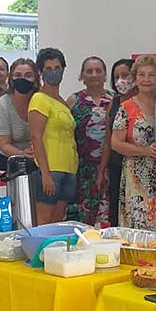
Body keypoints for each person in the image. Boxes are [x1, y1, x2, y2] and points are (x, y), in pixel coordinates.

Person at [111, 55, 156, 231]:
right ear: (135, 79)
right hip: (136, 178)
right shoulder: (127, 107)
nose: (146, 79)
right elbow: (116, 143)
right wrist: (144, 151)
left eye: (151, 75)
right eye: (141, 75)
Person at [27, 47, 78, 224]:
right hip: (51, 168)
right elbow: (36, 137)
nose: (53, 72)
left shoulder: (63, 102)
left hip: (69, 168)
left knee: (58, 219)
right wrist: (45, 173)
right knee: (44, 221)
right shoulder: (39, 99)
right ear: (41, 72)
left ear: (63, 69)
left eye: (57, 68)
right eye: (48, 69)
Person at [66, 56, 112, 226]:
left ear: (105, 75)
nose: (94, 75)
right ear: (82, 75)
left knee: (107, 215)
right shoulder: (73, 100)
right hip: (81, 169)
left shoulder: (115, 100)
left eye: (98, 70)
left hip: (109, 167)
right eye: (89, 71)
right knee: (82, 217)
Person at [0, 58, 39, 171]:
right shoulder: (2, 105)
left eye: (28, 75)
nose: (23, 79)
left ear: (36, 79)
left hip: (38, 159)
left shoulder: (42, 101)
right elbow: (4, 144)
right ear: (11, 79)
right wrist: (23, 154)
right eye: (18, 75)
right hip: (7, 160)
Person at [104, 58, 135, 223]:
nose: (120, 81)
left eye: (125, 75)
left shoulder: (146, 100)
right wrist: (102, 169)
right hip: (116, 164)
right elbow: (108, 139)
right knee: (117, 210)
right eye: (116, 77)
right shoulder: (114, 102)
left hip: (137, 164)